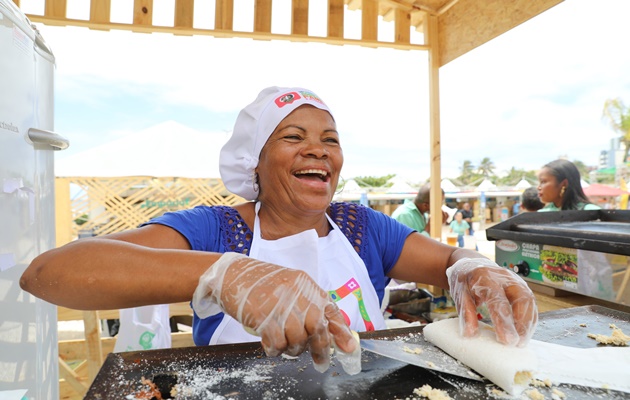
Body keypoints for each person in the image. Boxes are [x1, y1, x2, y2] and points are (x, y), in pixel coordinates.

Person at [20, 86, 538, 375]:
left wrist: (475, 268)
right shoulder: (214, 228)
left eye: (329, 140)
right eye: (294, 136)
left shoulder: (362, 227)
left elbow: (449, 261)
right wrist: (228, 273)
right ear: (256, 161)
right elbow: (50, 272)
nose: (319, 150)